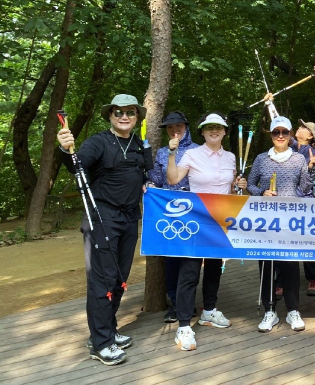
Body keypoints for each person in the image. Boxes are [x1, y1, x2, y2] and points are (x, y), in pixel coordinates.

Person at [56, 94, 149, 365]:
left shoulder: (138, 144)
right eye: (118, 111)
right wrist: (64, 149)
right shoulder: (98, 142)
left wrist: (145, 185)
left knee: (119, 278)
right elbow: (77, 166)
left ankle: (106, 330)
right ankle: (101, 343)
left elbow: (140, 175)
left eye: (130, 112)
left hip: (131, 218)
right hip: (102, 218)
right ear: (110, 115)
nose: (124, 116)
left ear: (136, 117)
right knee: (103, 281)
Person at [166, 113, 236, 351]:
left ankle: (208, 311)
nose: (214, 131)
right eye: (209, 128)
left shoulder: (230, 157)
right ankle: (184, 325)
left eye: (218, 127)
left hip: (220, 222)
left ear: (225, 132)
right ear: (203, 132)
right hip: (195, 221)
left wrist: (240, 186)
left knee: (215, 268)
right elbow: (174, 179)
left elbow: (231, 190)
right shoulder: (191, 154)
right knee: (189, 272)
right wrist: (172, 153)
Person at [244, 116, 315, 332]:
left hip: (290, 220)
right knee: (267, 264)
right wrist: (262, 192)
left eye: (285, 132)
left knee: (290, 265)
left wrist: (311, 170)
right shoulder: (261, 159)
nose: (281, 136)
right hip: (266, 219)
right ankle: (270, 311)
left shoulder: (298, 159)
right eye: (276, 133)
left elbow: (305, 188)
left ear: (290, 135)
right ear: (272, 135)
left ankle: (293, 309)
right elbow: (250, 185)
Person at [148, 111, 200, 324]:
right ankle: (175, 304)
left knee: (192, 259)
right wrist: (149, 185)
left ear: (186, 127)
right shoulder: (161, 153)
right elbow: (158, 180)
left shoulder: (199, 150)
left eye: (178, 125)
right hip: (169, 212)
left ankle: (188, 303)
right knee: (171, 260)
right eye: (170, 127)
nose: (174, 130)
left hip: (195, 211)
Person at [293, 119, 315, 297]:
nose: (299, 128)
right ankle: (281, 281)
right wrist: (269, 103)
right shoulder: (289, 146)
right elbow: (278, 122)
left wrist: (310, 166)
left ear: (311, 135)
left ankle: (313, 278)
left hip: (305, 202)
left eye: (304, 128)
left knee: (307, 240)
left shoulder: (311, 151)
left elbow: (309, 179)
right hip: (287, 199)